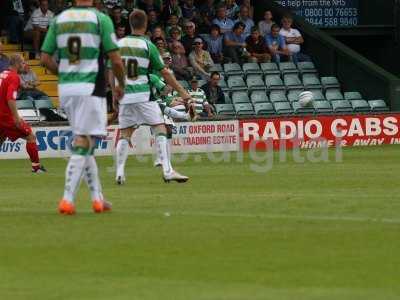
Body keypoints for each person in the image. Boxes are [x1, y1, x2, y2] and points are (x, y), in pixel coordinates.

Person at [40, 0, 126, 215]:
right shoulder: (100, 19)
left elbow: (44, 58)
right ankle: (67, 199)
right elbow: (115, 59)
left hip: (67, 89)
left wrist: (66, 75)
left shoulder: (58, 19)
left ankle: (98, 199)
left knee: (87, 141)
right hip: (90, 87)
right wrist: (121, 86)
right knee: (84, 141)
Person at [112, 9, 192, 185]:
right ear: (146, 24)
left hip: (125, 94)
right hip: (142, 94)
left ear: (130, 24)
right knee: (160, 129)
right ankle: (167, 170)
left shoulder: (118, 44)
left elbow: (112, 71)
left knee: (125, 133)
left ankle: (119, 172)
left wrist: (114, 94)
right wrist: (183, 93)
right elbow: (164, 72)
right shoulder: (148, 45)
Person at [0, 54, 46, 173]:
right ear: (17, 63)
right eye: (23, 63)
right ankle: (36, 167)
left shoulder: (2, 75)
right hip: (6, 116)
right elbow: (10, 98)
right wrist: (16, 117)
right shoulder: (14, 77)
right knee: (30, 136)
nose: (25, 65)